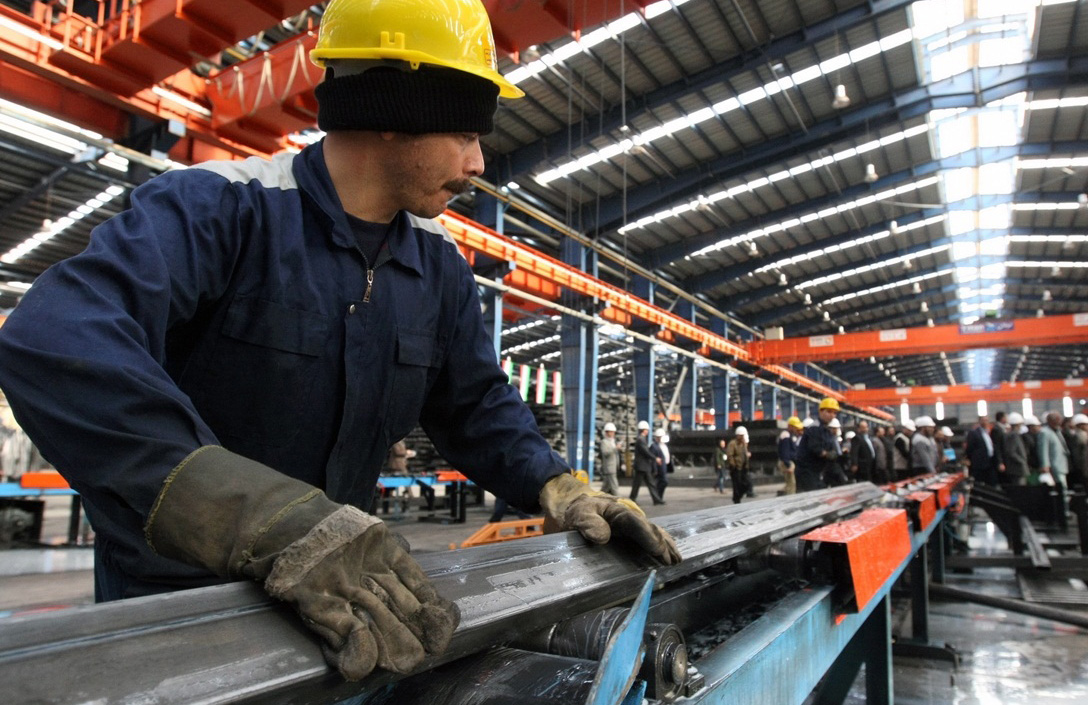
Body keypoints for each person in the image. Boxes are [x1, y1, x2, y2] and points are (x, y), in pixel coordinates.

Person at [0, 0, 681, 683]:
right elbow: (55, 337)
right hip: (174, 610)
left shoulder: (438, 268)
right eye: (465, 132)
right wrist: (258, 519)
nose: (478, 161)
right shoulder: (223, 209)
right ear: (394, 110)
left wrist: (557, 486)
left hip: (339, 607)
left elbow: (474, 404)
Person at [797, 398, 841, 489]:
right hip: (808, 471)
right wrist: (827, 454)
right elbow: (815, 448)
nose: (832, 415)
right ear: (820, 411)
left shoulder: (826, 430)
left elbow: (830, 447)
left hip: (819, 470)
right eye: (829, 411)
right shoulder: (814, 428)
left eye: (834, 413)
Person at [629, 420, 665, 506]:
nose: (648, 431)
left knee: (650, 483)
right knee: (637, 484)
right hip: (641, 466)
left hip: (644, 466)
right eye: (647, 430)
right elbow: (646, 452)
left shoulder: (642, 439)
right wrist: (655, 458)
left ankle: (656, 499)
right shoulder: (641, 439)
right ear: (644, 430)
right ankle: (632, 499)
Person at [965, 415, 1001, 486]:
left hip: (990, 461)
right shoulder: (974, 433)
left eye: (986, 420)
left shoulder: (988, 433)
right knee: (979, 482)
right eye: (983, 420)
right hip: (980, 463)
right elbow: (970, 448)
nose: (985, 422)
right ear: (979, 421)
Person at [1065, 413, 1088, 490]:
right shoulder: (1081, 436)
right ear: (1080, 425)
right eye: (1087, 424)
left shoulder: (1077, 435)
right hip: (1083, 467)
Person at [776, 416, 802, 495]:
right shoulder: (786, 435)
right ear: (790, 426)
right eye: (795, 427)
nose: (796, 429)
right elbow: (785, 452)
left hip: (788, 462)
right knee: (791, 484)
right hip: (786, 463)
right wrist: (788, 465)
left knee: (790, 483)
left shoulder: (790, 435)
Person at [727, 426, 752, 503]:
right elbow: (730, 455)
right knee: (736, 485)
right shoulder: (733, 444)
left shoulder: (743, 444)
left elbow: (744, 454)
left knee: (746, 484)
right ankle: (736, 500)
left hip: (743, 468)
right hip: (736, 468)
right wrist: (733, 465)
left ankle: (738, 496)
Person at [1003, 412, 1029, 485]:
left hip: (1017, 468)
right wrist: (1021, 461)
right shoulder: (1014, 435)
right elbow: (1011, 452)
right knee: (1020, 487)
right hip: (1017, 469)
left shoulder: (1013, 435)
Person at [848, 420, 877, 485]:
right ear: (859, 429)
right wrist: (854, 463)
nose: (865, 429)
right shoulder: (857, 438)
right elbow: (854, 452)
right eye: (863, 427)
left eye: (866, 427)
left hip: (871, 463)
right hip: (863, 464)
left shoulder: (869, 438)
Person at [597, 422, 621, 496]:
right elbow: (605, 453)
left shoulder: (613, 441)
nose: (613, 433)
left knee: (605, 488)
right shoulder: (604, 442)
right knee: (615, 487)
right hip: (609, 468)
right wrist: (615, 448)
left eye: (614, 432)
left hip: (613, 467)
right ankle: (620, 501)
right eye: (612, 432)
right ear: (607, 432)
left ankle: (598, 497)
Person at [652, 428, 672, 503]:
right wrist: (654, 469)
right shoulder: (654, 446)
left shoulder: (664, 445)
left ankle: (659, 498)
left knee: (661, 482)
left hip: (664, 466)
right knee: (664, 482)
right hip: (659, 468)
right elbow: (652, 458)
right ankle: (658, 498)